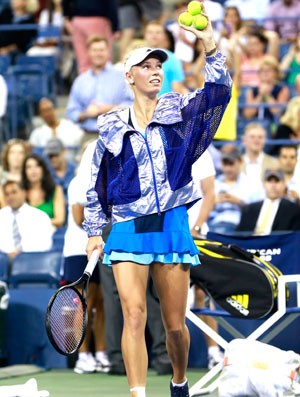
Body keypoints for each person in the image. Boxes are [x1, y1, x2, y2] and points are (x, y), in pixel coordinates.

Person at [83, 5, 232, 396]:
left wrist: (209, 44)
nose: (154, 70)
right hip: (129, 226)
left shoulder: (180, 110)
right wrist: (94, 232)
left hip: (171, 222)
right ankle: (138, 393)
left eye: (158, 66)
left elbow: (220, 93)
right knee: (133, 315)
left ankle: (179, 382)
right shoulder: (111, 126)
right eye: (145, 66)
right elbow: (96, 184)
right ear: (129, 76)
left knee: (174, 326)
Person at [62, 173, 110, 374]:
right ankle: (82, 356)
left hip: (100, 247)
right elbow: (78, 218)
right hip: (77, 249)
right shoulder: (78, 182)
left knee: (101, 302)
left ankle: (100, 353)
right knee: (84, 302)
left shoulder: (109, 180)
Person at [66, 34, 133, 142]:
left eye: (101, 50)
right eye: (94, 50)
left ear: (108, 52)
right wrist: (86, 114)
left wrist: (111, 109)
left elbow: (134, 104)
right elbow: (71, 112)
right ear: (88, 53)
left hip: (118, 136)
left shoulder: (121, 77)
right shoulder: (80, 81)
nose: (98, 53)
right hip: (89, 136)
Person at [207, 144, 258, 234]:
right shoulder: (215, 184)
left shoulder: (250, 183)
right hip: (215, 224)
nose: (228, 168)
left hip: (241, 227)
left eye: (231, 163)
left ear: (240, 161)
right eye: (225, 164)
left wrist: (239, 202)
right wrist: (213, 203)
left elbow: (258, 210)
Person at [0, 180, 53, 260]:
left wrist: (22, 254)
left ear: (24, 193)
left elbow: (45, 244)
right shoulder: (1, 216)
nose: (11, 197)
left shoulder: (39, 216)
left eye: (14, 192)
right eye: (7, 194)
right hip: (4, 261)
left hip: (32, 260)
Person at [236, 168, 300, 235]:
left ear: (284, 184)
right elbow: (240, 234)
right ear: (263, 184)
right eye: (269, 181)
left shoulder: (294, 210)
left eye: (277, 181)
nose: (273, 186)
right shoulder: (249, 209)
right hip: (250, 243)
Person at [62, 0, 119, 74]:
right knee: (101, 55)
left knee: (83, 61)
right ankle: (103, 83)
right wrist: (115, 27)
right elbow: (110, 3)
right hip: (97, 19)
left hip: (78, 20)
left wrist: (67, 18)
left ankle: (85, 84)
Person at [143, 20, 189, 96]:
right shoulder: (135, 57)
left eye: (158, 32)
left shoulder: (172, 59)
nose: (154, 35)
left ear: (164, 36)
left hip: (165, 105)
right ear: (144, 35)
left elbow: (177, 88)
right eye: (150, 32)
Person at [21, 153, 66, 228]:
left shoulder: (56, 190)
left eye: (37, 166)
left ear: (43, 169)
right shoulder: (19, 191)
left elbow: (60, 220)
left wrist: (33, 223)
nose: (33, 170)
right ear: (24, 172)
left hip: (49, 234)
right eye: (29, 167)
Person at [242, 55, 290, 124]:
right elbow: (247, 114)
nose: (265, 73)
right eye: (262, 70)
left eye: (268, 70)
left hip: (273, 125)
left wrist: (267, 95)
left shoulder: (283, 90)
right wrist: (260, 96)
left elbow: (278, 114)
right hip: (255, 125)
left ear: (276, 73)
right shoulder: (252, 91)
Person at [241, 122, 279, 198]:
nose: (256, 140)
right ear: (244, 140)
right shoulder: (236, 163)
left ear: (264, 141)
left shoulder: (274, 163)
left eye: (260, 137)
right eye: (252, 137)